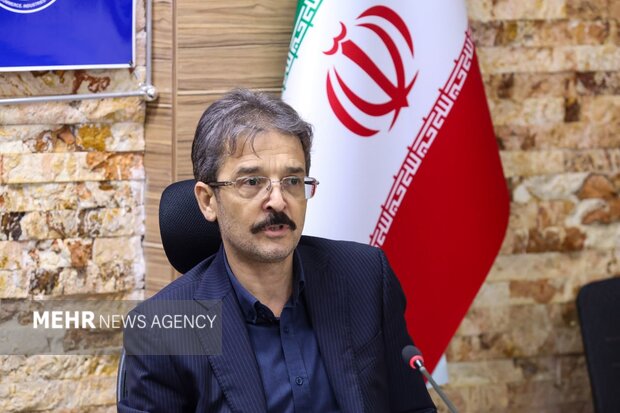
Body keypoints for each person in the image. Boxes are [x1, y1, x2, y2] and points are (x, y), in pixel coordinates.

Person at [118, 89, 436, 413]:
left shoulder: (364, 277)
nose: (278, 201)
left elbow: (413, 408)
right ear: (207, 200)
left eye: (293, 181)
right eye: (252, 182)